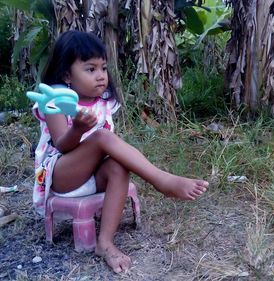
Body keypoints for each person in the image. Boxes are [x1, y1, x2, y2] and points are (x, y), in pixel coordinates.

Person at [31, 30, 209, 274]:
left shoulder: (103, 101)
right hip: (62, 177)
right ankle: (161, 180)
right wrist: (79, 130)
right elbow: (62, 144)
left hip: (94, 177)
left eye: (103, 68)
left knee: (118, 164)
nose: (101, 76)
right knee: (102, 137)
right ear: (66, 75)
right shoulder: (55, 102)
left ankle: (104, 243)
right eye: (90, 69)